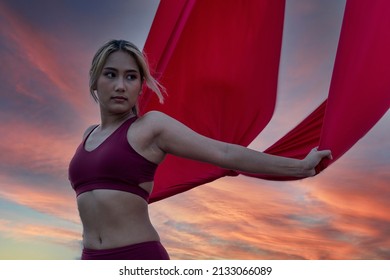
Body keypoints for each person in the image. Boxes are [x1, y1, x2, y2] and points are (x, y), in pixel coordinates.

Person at [68, 39, 332, 260]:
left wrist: (298, 166)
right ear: (95, 80)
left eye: (131, 77)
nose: (120, 86)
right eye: (111, 74)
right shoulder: (88, 135)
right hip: (91, 259)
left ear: (140, 86)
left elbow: (225, 154)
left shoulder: (151, 127)